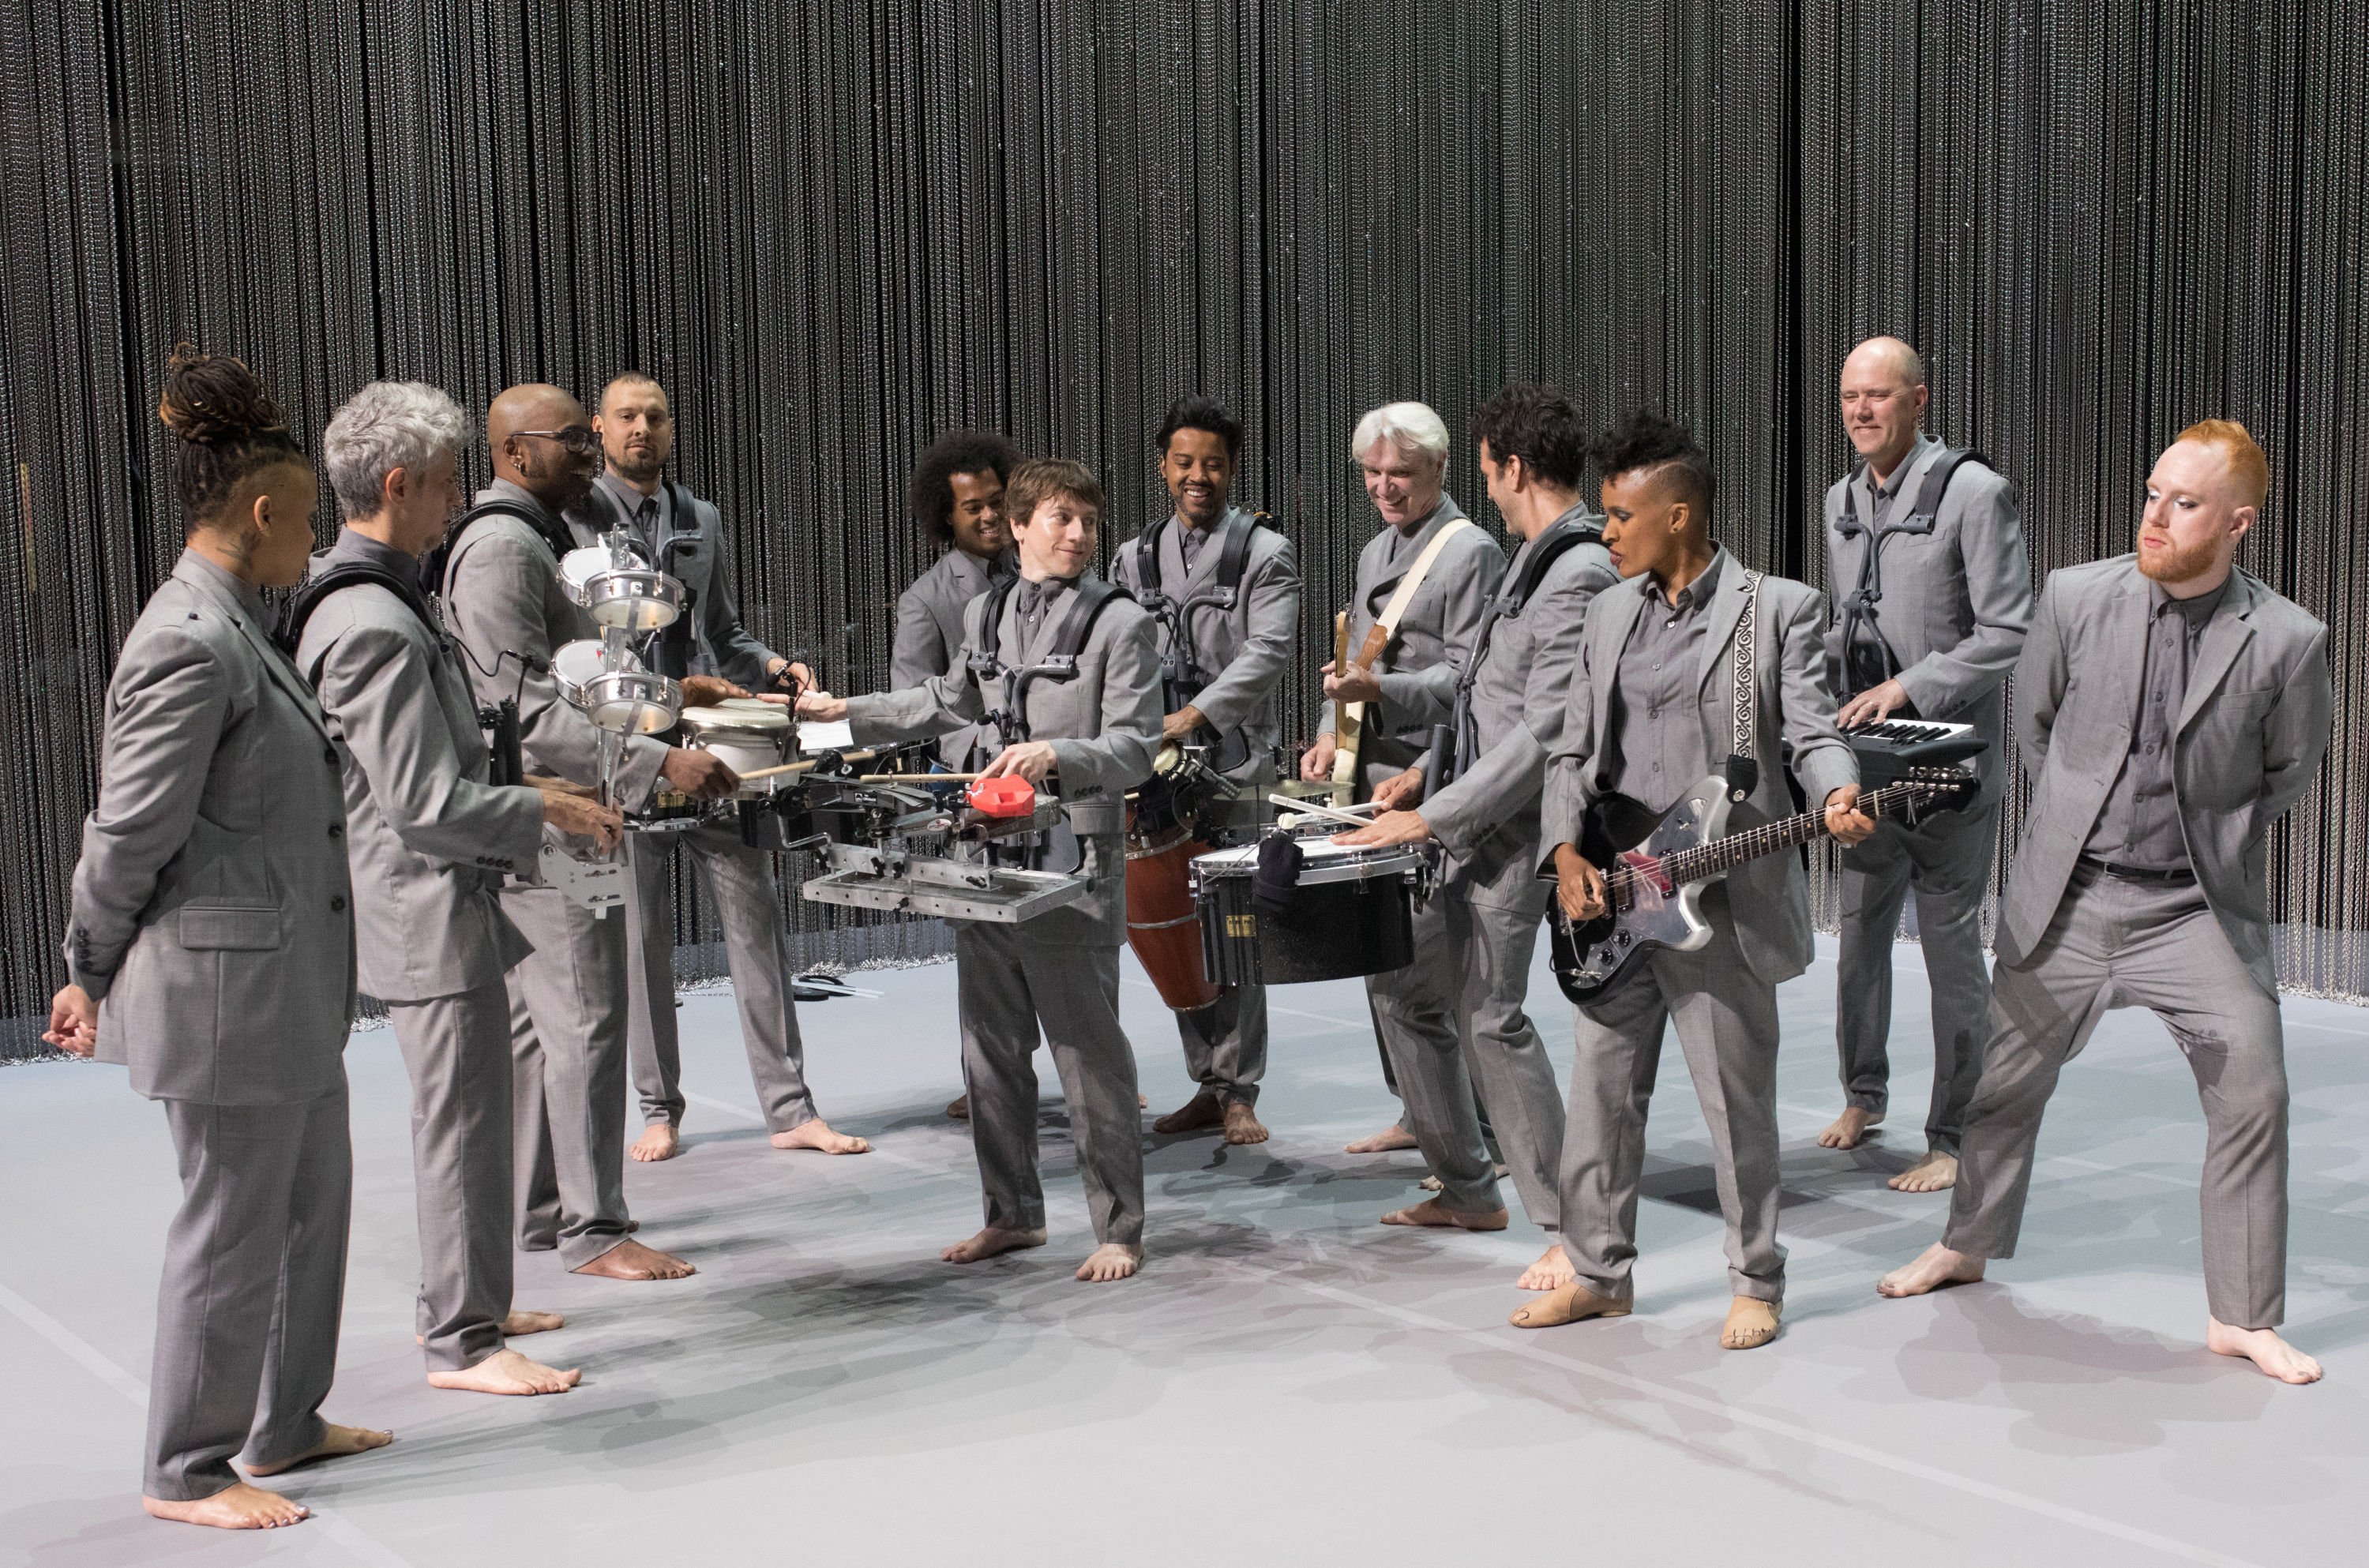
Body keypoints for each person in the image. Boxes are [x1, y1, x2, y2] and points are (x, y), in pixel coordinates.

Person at [1879, 422, 2333, 1386]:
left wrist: (2203, 840)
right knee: (2002, 1087)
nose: (2157, 516)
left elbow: (2289, 771)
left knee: (2255, 1084)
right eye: (2153, 492)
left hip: (2193, 912)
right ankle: (1966, 1244)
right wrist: (2084, 829)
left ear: (2239, 523)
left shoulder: (2288, 640)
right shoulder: (2075, 598)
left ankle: (2241, 1316)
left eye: (2186, 502)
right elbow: (2038, 728)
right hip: (2072, 897)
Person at [47, 350, 389, 1529]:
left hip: (284, 986)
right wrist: (88, 965)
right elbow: (128, 831)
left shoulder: (236, 625)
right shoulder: (187, 640)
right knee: (233, 1225)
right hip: (228, 993)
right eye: (308, 521)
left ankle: (283, 1420)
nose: (318, 543)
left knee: (310, 1207)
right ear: (262, 512)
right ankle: (185, 1467)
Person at [1522, 411, 1872, 1350]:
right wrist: (1565, 857)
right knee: (1599, 1097)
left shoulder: (1780, 610)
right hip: (1612, 895)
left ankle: (1756, 1280)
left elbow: (1813, 732)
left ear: (1679, 516)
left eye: (1623, 515)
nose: (1608, 531)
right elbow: (1570, 750)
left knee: (1735, 1105)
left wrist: (1837, 793)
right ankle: (1600, 1273)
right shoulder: (1606, 611)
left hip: (1723, 899)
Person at [295, 380, 615, 1397]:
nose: (455, 504)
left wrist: (520, 789)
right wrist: (544, 809)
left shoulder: (389, 596)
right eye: (441, 488)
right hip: (422, 900)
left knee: (479, 1111)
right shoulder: (369, 621)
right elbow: (424, 803)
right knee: (461, 1120)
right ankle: (462, 1340)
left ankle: (476, 1296)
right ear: (398, 486)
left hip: (447, 895)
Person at [800, 458, 1162, 1282]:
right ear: (1023, 525)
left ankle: (1119, 1229)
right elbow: (945, 701)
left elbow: (1136, 750)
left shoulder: (1121, 626)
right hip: (985, 861)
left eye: (1088, 521)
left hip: (1075, 864)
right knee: (989, 1052)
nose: (1079, 534)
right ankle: (1013, 1216)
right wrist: (846, 713)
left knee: (1086, 1054)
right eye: (1062, 519)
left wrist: (1057, 754)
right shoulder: (985, 612)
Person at [441, 383, 735, 1282]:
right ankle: (594, 1230)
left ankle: (544, 1212)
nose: (590, 449)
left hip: (572, 808)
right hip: (557, 816)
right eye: (572, 438)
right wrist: (660, 764)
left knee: (550, 1027)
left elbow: (577, 682)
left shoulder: (535, 538)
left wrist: (672, 700)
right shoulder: (500, 550)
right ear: (515, 451)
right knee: (587, 1018)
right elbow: (521, 712)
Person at [1332, 383, 1616, 1285]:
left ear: (1511, 466)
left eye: (1489, 471)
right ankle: (1467, 1185)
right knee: (1403, 989)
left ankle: (1573, 1229)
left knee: (1492, 1015)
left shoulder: (1576, 571)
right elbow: (1479, 692)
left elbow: (1545, 731)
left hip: (1519, 833)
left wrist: (1438, 810)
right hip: (1464, 813)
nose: (1486, 489)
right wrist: (1426, 773)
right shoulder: (1537, 557)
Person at [569, 373, 865, 1165]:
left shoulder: (699, 518)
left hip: (710, 758)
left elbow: (724, 633)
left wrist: (779, 667)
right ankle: (657, 1109)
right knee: (638, 944)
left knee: (757, 929)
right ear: (599, 428)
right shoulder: (574, 521)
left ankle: (791, 1107)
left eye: (656, 417)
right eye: (627, 417)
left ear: (671, 428)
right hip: (625, 755)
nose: (642, 429)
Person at [1818, 337, 2033, 1191]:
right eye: (1848, 398)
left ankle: (1954, 1136)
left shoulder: (1976, 493)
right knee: (1859, 938)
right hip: (1868, 759)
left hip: (1949, 763)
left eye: (1878, 396)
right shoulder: (1840, 497)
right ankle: (1862, 1095)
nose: (1861, 411)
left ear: (1919, 400)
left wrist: (1911, 686)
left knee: (1948, 948)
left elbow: (2008, 631)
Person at [1299, 400, 1506, 1158]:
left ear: (1442, 470)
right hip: (1371, 779)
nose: (1385, 488)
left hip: (1435, 777)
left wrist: (1415, 759)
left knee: (1434, 974)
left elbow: (1473, 683)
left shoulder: (1470, 550)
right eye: (1373, 473)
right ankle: (1421, 1110)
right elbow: (1358, 658)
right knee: (1383, 954)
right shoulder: (1375, 549)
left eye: (1401, 475)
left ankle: (1477, 1130)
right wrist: (1329, 738)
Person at [1115, 396, 1301, 1146]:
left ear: (1231, 469)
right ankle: (1206, 1080)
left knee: (1237, 926)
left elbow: (1268, 653)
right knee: (1177, 929)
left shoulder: (1265, 553)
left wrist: (1195, 717)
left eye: (1214, 464)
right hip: (1157, 771)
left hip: (1235, 766)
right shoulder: (1132, 557)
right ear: (1164, 467)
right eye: (1185, 463)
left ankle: (1239, 1090)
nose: (1200, 477)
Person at [893, 430, 1019, 1122]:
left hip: (1052, 782)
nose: (989, 517)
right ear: (948, 515)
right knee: (984, 948)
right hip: (973, 789)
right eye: (973, 508)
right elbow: (917, 704)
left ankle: (1085, 1064)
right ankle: (987, 1081)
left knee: (1065, 940)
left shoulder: (1045, 573)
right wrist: (992, 751)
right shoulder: (924, 599)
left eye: (998, 502)